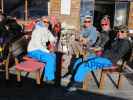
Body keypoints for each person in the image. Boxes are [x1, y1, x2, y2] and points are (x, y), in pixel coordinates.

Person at [67, 25, 131, 91]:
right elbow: (109, 48)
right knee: (80, 60)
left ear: (126, 33)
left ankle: (77, 83)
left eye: (122, 32)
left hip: (109, 61)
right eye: (118, 31)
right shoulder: (118, 40)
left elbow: (116, 55)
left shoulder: (125, 43)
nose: (119, 33)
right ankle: (73, 77)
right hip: (103, 57)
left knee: (85, 64)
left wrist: (100, 56)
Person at [27, 17, 57, 82]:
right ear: (41, 22)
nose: (47, 23)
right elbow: (38, 45)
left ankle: (52, 73)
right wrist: (48, 51)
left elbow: (51, 38)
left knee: (54, 55)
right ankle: (49, 78)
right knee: (50, 57)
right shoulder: (37, 30)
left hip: (40, 50)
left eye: (48, 22)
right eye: (45, 22)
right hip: (34, 50)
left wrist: (52, 42)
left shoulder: (46, 29)